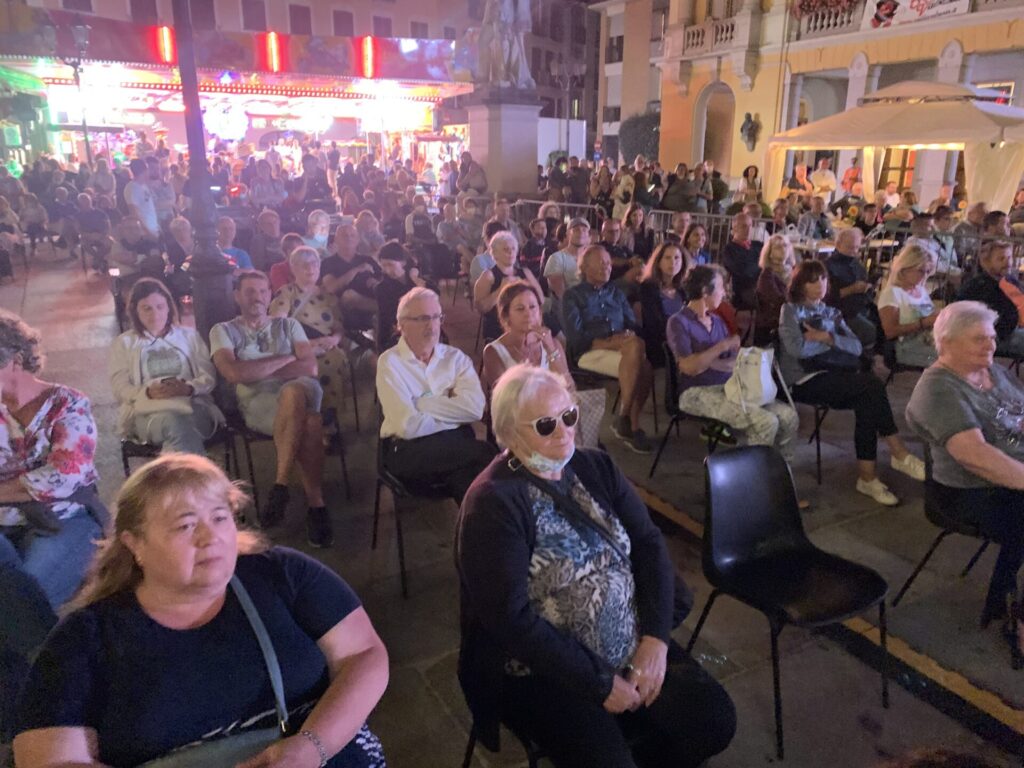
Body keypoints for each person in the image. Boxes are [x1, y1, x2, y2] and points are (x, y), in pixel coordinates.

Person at [12, 453, 388, 767]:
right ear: (134, 544)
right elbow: (50, 760)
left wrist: (310, 747)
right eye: (186, 525)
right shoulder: (85, 638)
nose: (211, 537)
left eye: (220, 517)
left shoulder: (281, 574)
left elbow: (363, 655)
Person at [456, 364, 736, 768]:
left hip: (631, 640)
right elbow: (509, 619)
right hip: (545, 669)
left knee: (712, 719)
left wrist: (655, 640)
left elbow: (648, 542)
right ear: (508, 432)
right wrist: (599, 682)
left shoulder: (593, 466)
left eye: (568, 416)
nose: (565, 431)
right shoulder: (493, 503)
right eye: (546, 424)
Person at [0, 311, 107, 742]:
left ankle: (28, 730)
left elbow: (65, 473)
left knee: (19, 597)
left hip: (67, 523)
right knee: (10, 598)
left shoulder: (69, 403)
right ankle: (43, 719)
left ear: (12, 361)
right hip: (7, 529)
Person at [905, 302, 1024, 666]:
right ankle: (1018, 621)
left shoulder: (993, 371)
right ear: (947, 342)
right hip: (968, 493)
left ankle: (1006, 600)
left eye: (991, 337)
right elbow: (975, 456)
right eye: (978, 339)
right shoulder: (938, 390)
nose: (990, 346)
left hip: (1010, 479)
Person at [778, 260, 925, 505]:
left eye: (823, 280)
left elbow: (856, 347)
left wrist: (827, 337)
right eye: (812, 281)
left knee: (868, 396)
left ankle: (869, 477)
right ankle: (895, 454)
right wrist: (829, 343)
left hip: (833, 373)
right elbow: (797, 349)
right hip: (803, 379)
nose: (819, 286)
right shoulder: (791, 310)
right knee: (871, 387)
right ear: (800, 285)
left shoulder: (831, 312)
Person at [210, 271, 332, 546]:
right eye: (250, 291)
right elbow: (232, 373)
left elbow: (309, 367)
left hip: (303, 387)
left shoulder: (288, 325)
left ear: (270, 295)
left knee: (292, 391)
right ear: (237, 296)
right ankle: (317, 505)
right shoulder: (223, 330)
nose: (258, 297)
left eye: (263, 291)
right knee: (311, 423)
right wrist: (287, 357)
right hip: (258, 402)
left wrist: (254, 369)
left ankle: (281, 484)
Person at [376, 287, 496, 503]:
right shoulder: (390, 362)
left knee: (468, 481)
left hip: (456, 446)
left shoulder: (456, 358)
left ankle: (474, 535)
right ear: (401, 326)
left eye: (435, 317)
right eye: (422, 318)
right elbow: (407, 426)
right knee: (484, 457)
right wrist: (452, 407)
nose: (431, 325)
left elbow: (475, 409)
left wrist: (421, 404)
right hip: (408, 449)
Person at [668, 265, 799, 457]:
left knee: (788, 417)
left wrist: (710, 360)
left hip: (730, 387)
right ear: (706, 291)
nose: (725, 292)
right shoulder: (679, 321)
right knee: (765, 422)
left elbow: (730, 362)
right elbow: (689, 367)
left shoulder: (717, 321)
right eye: (721, 287)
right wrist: (720, 347)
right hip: (695, 393)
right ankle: (752, 476)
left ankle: (779, 470)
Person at [109, 277, 224, 455]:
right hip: (148, 413)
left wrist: (188, 388)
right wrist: (147, 392)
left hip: (192, 405)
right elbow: (120, 386)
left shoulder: (189, 337)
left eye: (160, 307)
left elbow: (208, 377)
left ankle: (175, 474)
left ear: (169, 307)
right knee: (176, 424)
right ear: (135, 311)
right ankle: (200, 478)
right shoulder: (124, 343)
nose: (154, 314)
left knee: (179, 431)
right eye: (146, 308)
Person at [563, 245, 653, 453]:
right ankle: (628, 423)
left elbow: (632, 324)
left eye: (608, 263)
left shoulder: (616, 292)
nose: (607, 267)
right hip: (589, 352)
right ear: (584, 267)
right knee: (637, 353)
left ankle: (627, 420)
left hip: (622, 349)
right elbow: (576, 338)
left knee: (645, 363)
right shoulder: (572, 296)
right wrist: (612, 342)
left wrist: (627, 335)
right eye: (601, 263)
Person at [269, 246, 350, 422]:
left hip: (326, 345)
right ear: (293, 269)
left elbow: (338, 326)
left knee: (336, 357)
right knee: (323, 363)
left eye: (314, 264)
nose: (310, 268)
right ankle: (315, 419)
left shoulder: (328, 296)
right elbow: (278, 325)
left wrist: (334, 339)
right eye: (304, 265)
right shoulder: (287, 292)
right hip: (297, 347)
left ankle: (329, 420)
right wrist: (307, 345)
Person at [957, 239, 1024, 358]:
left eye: (1009, 258)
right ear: (986, 262)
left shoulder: (1009, 280)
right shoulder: (977, 287)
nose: (1008, 263)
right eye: (1001, 259)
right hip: (996, 336)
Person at [474, 230, 543, 344]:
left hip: (526, 321)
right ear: (495, 253)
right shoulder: (488, 276)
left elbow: (540, 299)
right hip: (499, 325)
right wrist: (500, 290)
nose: (511, 253)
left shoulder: (525, 272)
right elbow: (481, 308)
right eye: (506, 249)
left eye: (513, 249)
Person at [878, 243, 940, 368]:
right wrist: (923, 323)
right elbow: (890, 331)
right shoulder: (892, 293)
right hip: (904, 347)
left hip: (926, 341)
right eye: (920, 271)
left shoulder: (921, 290)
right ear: (905, 268)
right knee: (952, 359)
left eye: (927, 271)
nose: (924, 276)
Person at [824, 227, 878, 352]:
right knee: (870, 331)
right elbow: (826, 297)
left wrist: (868, 287)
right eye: (850, 247)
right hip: (841, 311)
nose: (854, 252)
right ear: (838, 245)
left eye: (857, 248)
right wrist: (851, 289)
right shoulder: (828, 266)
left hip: (861, 306)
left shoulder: (857, 264)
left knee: (884, 325)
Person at [321, 222, 382, 325]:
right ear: (336, 240)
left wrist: (376, 283)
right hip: (342, 309)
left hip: (370, 304)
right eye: (344, 235)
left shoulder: (367, 260)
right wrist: (356, 270)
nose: (348, 238)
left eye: (352, 235)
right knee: (349, 295)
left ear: (358, 240)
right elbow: (330, 288)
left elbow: (383, 282)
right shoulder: (328, 263)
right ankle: (386, 309)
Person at [638, 241, 687, 367]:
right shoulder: (648, 288)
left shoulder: (684, 289)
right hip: (661, 342)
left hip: (684, 337)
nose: (673, 262)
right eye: (667, 258)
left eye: (677, 258)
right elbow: (653, 323)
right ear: (658, 262)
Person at [754, 233, 797, 345]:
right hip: (773, 324)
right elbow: (778, 301)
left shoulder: (793, 272)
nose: (783, 250)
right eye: (778, 247)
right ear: (770, 253)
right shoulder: (766, 275)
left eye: (785, 246)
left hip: (791, 317)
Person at [721, 212, 762, 310]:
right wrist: (760, 265)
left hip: (762, 286)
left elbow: (768, 265)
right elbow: (743, 271)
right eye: (744, 226)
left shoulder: (758, 245)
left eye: (750, 226)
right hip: (743, 290)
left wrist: (756, 265)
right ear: (734, 228)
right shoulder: (729, 249)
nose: (748, 229)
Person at [124, 159, 159, 239]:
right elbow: (134, 213)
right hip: (145, 233)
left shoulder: (143, 186)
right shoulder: (132, 188)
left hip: (153, 228)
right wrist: (147, 232)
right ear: (145, 170)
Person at [249, 208, 285, 273]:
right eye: (269, 224)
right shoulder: (258, 240)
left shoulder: (286, 237)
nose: (273, 226)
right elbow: (259, 266)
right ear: (262, 227)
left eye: (275, 222)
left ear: (279, 222)